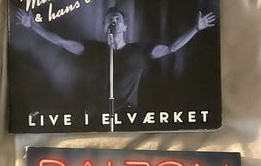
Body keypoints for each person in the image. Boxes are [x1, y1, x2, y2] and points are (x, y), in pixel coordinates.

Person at [16, 7, 216, 113]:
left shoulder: (139, 50)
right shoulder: (92, 48)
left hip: (128, 113)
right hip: (95, 113)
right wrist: (34, 26)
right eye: (109, 19)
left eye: (117, 19)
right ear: (104, 26)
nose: (113, 21)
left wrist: (196, 28)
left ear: (125, 26)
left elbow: (171, 48)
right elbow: (60, 42)